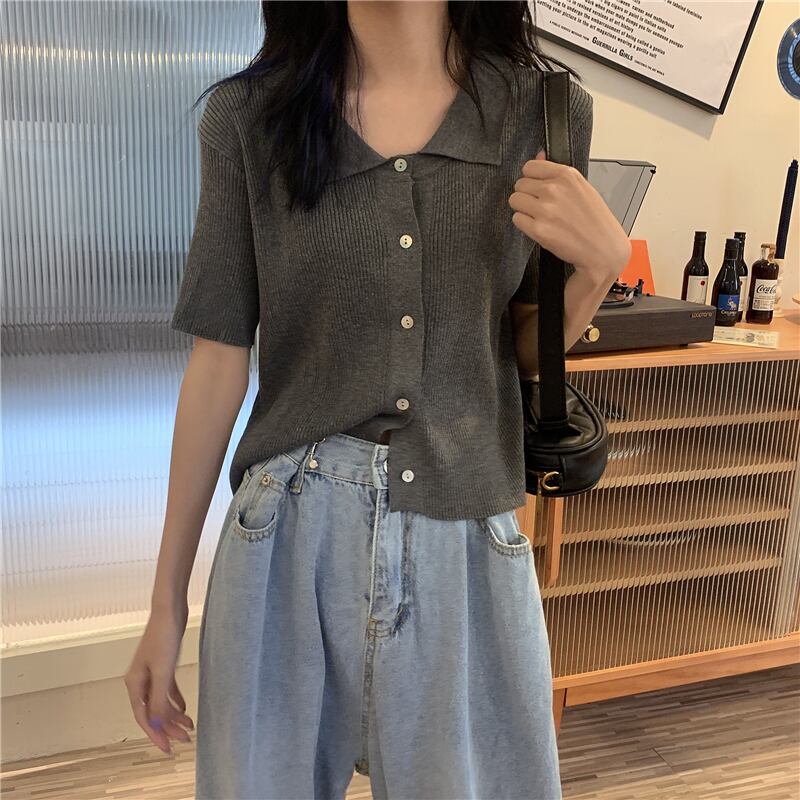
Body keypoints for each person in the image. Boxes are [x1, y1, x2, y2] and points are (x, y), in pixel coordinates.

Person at [124, 1, 631, 798]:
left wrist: (599, 271)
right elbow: (217, 361)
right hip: (285, 541)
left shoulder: (544, 113)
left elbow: (518, 349)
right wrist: (166, 604)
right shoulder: (250, 118)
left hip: (463, 533)